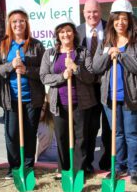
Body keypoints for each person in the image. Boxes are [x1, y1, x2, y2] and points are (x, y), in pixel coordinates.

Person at [93, 0, 137, 185]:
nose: (120, 22)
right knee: (116, 134)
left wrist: (123, 55)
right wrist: (109, 54)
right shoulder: (106, 42)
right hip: (110, 97)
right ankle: (118, 166)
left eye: (124, 18)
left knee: (132, 134)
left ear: (130, 20)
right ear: (111, 20)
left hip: (132, 97)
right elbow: (96, 67)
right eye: (117, 18)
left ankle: (134, 169)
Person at [0, 7, 45, 180]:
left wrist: (26, 69)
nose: (18, 24)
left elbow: (44, 72)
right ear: (10, 24)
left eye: (21, 20)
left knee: (30, 133)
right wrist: (11, 65)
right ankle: (14, 167)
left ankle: (28, 167)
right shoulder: (2, 45)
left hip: (32, 98)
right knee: (12, 133)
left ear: (26, 23)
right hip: (11, 98)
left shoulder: (36, 45)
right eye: (14, 21)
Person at [40, 17, 96, 180]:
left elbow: (91, 76)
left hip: (80, 102)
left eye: (69, 31)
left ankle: (78, 171)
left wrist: (76, 68)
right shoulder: (50, 54)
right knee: (62, 136)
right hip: (58, 103)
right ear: (57, 35)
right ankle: (63, 169)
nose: (66, 34)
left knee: (80, 138)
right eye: (62, 32)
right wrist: (62, 76)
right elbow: (44, 77)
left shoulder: (82, 52)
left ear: (74, 33)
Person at [76, 0, 111, 173]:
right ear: (84, 13)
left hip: (107, 83)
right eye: (89, 12)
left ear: (101, 11)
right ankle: (87, 162)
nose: (92, 15)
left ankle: (106, 163)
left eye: (95, 11)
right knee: (89, 127)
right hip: (86, 87)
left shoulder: (110, 29)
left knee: (108, 126)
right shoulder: (77, 32)